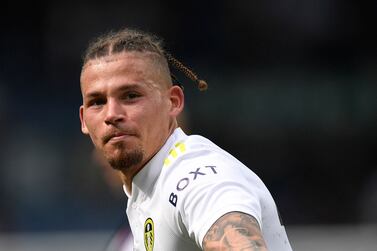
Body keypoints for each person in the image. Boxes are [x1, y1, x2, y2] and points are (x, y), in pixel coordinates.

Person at [79, 27, 292, 251]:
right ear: (84, 120)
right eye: (97, 102)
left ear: (173, 102)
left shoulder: (193, 173)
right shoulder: (147, 191)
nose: (112, 114)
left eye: (131, 96)